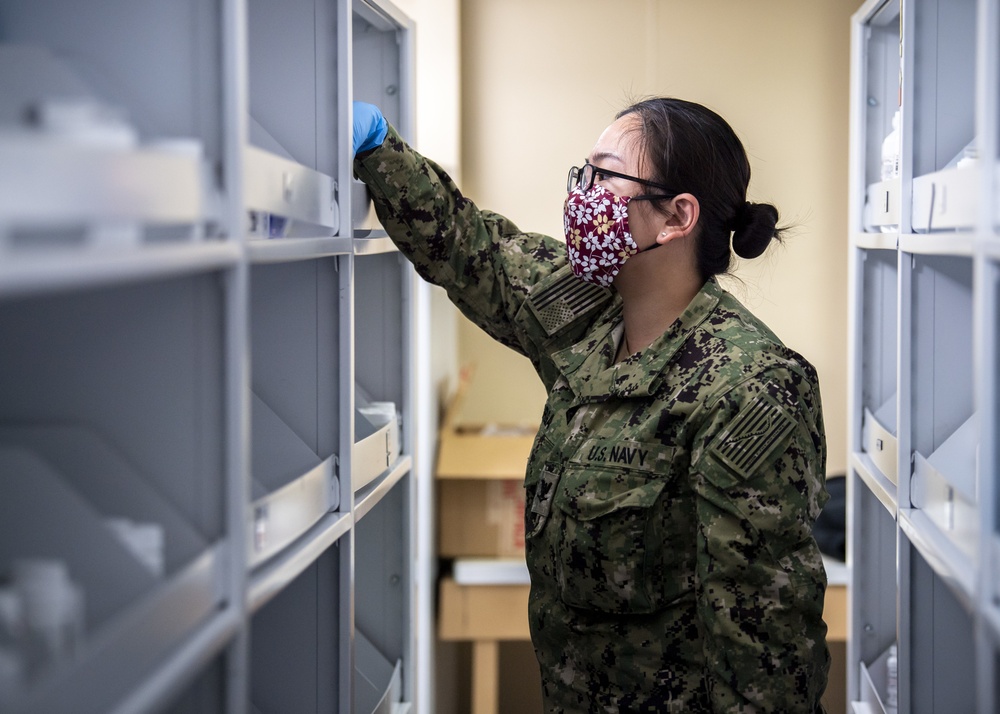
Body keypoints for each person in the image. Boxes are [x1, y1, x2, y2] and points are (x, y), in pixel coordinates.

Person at [352, 97, 830, 713]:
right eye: (584, 172)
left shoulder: (749, 386)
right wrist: (376, 146)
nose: (582, 194)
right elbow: (471, 247)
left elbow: (764, 662)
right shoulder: (589, 315)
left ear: (676, 217)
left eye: (604, 176)